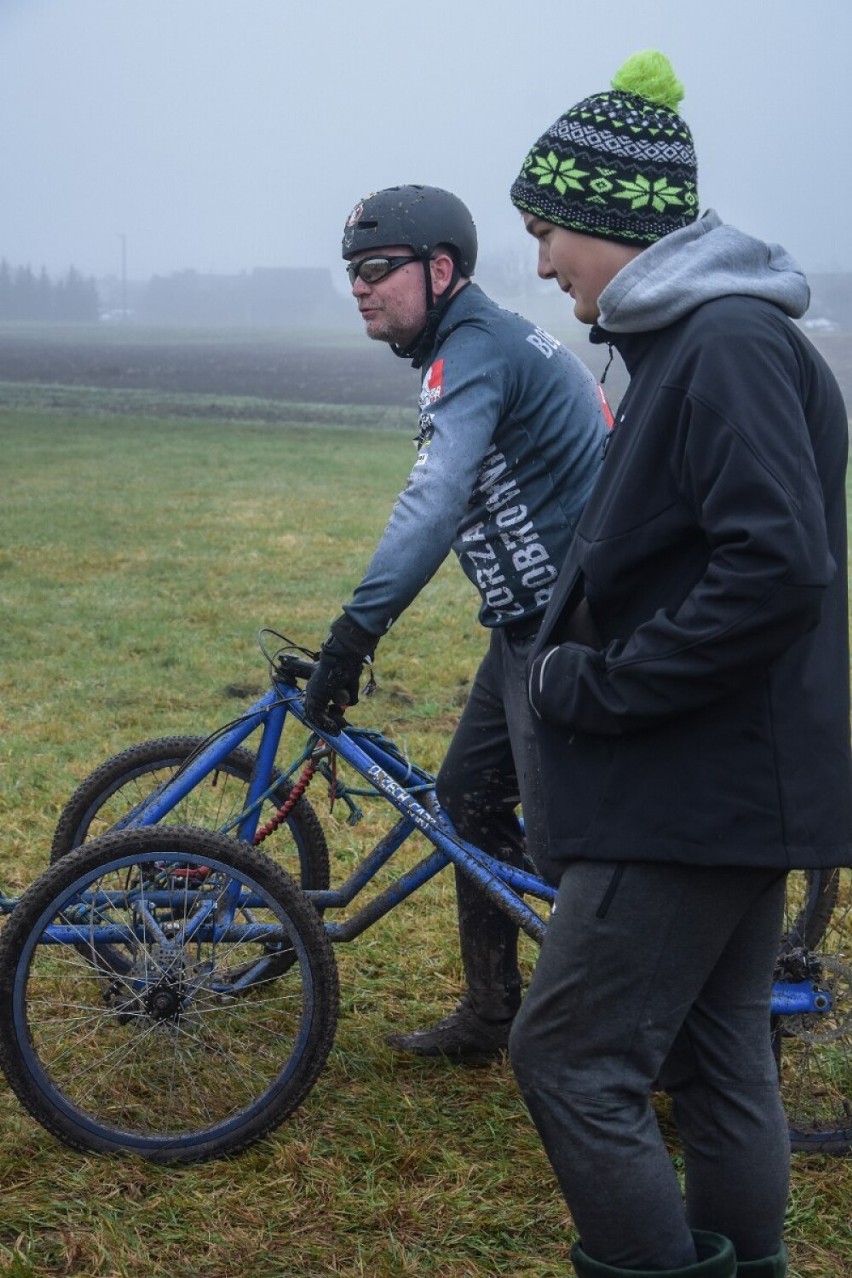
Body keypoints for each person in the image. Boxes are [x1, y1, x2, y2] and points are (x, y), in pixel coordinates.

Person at [506, 49, 852, 1278]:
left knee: (570, 1057)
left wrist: (599, 683)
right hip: (722, 788)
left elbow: (774, 567)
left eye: (551, 231)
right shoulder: (702, 343)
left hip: (690, 793)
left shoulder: (727, 346)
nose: (543, 263)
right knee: (717, 1058)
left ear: (615, 219)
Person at [304, 184, 609, 1060]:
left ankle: (634, 1038)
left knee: (565, 849)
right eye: (351, 273)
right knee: (465, 797)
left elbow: (434, 503)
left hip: (570, 629)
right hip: (527, 622)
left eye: (377, 270)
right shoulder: (478, 341)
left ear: (440, 271)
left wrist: (353, 635)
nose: (360, 288)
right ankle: (493, 1011)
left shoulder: (474, 349)